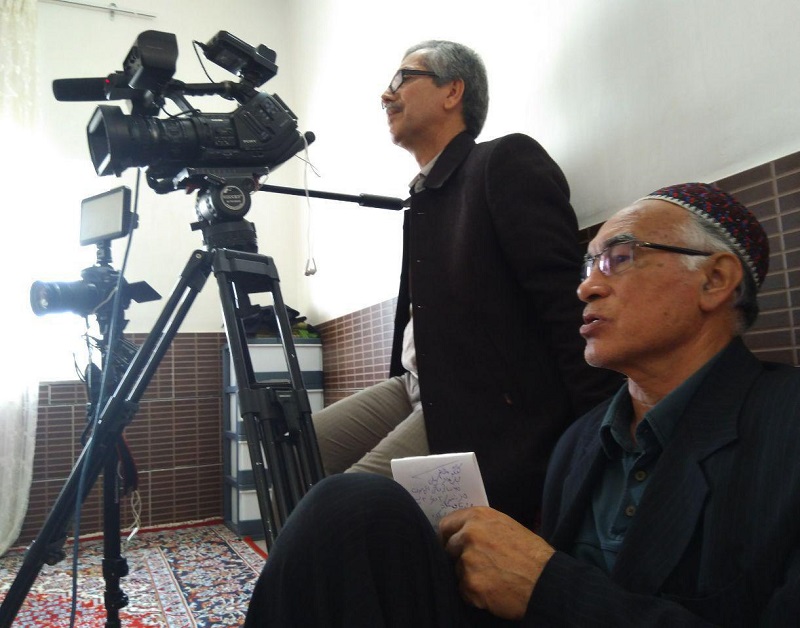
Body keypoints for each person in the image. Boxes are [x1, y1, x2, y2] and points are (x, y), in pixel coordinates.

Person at [244, 183, 800, 627]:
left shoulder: (783, 428)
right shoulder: (582, 443)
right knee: (350, 506)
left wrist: (546, 585)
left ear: (715, 280)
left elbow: (548, 595)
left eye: (620, 257)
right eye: (587, 266)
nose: (586, 288)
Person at [312, 40, 621, 528]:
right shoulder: (425, 195)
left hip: (477, 399)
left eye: (402, 79)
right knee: (293, 449)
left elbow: (564, 303)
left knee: (344, 510)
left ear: (452, 91)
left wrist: (596, 433)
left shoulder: (503, 162)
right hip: (415, 382)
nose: (386, 95)